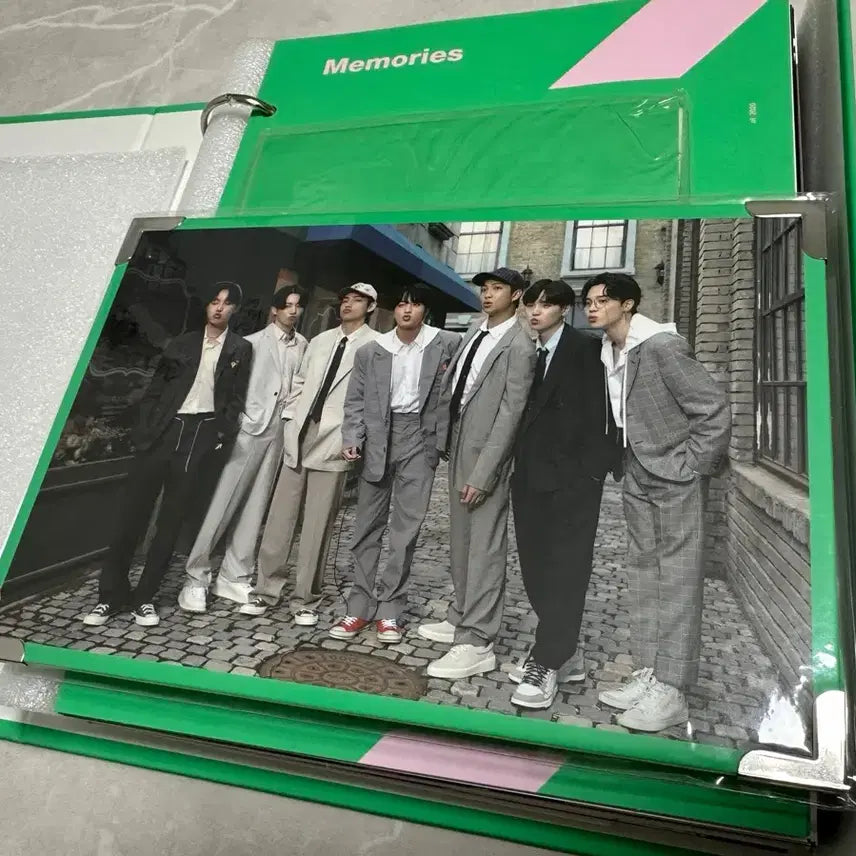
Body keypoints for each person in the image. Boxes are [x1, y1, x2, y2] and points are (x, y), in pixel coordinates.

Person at [583, 272, 731, 732]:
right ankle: (650, 671)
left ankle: (673, 689)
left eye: (602, 300)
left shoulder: (662, 346)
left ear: (628, 304)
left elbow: (712, 409)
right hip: (636, 472)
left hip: (674, 475)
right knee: (644, 574)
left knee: (679, 577)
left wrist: (691, 467)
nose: (592, 308)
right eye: (588, 301)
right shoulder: (609, 350)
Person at [83, 282, 252, 628]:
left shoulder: (240, 349)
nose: (219, 308)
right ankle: (110, 596)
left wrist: (221, 432)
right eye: (214, 301)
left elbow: (236, 397)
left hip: (200, 433)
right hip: (163, 430)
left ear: (234, 310)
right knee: (132, 515)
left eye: (226, 303)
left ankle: (145, 598)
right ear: (207, 306)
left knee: (171, 521)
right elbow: (155, 389)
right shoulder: (183, 343)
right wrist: (146, 431)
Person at [240, 283, 382, 626]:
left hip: (336, 437)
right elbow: (300, 383)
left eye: (357, 300)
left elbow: (373, 398)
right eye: (345, 299)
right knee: (280, 517)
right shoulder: (319, 341)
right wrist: (291, 419)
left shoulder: (376, 346)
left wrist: (355, 438)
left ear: (371, 307)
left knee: (318, 522)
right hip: (301, 432)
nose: (348, 304)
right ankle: (265, 590)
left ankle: (305, 598)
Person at [419, 267, 535, 679]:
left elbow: (511, 413)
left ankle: (478, 639)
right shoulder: (475, 330)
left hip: (488, 455)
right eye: (484, 289)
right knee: (461, 539)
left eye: (497, 289)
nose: (487, 295)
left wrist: (485, 472)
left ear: (516, 295)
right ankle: (460, 615)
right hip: (459, 444)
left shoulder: (520, 344)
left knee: (484, 546)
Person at [509, 280, 618, 709]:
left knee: (566, 571)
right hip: (529, 477)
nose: (535, 311)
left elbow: (605, 411)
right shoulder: (528, 351)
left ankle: (549, 659)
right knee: (535, 567)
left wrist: (591, 473)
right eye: (531, 304)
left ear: (564, 309)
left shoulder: (586, 350)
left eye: (546, 305)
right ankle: (566, 653)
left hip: (572, 482)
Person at [331, 284, 460, 644]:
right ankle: (359, 605)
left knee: (406, 530)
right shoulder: (373, 351)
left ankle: (390, 609)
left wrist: (445, 439)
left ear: (425, 310)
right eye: (401, 304)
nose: (406, 310)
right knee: (366, 527)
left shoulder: (447, 343)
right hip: (377, 438)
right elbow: (355, 401)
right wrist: (352, 438)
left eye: (414, 304)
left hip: (420, 438)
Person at [178, 286, 308, 613]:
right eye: (286, 305)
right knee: (223, 503)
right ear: (274, 310)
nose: (292, 311)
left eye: (297, 306)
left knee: (255, 506)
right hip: (248, 430)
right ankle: (195, 577)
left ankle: (234, 575)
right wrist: (240, 421)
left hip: (278, 432)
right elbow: (232, 389)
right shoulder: (252, 342)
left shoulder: (303, 345)